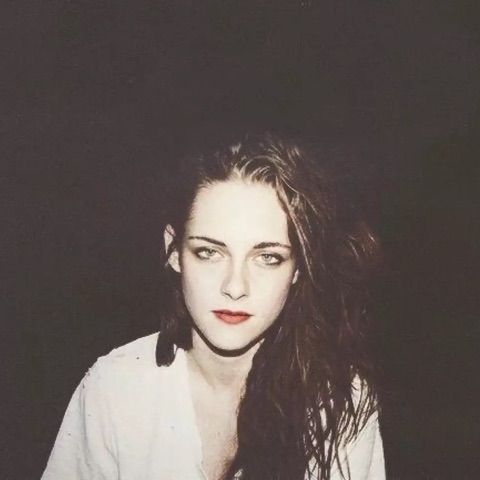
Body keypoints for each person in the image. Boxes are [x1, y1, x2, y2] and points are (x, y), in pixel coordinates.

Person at [42, 132, 385, 480]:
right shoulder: (115, 389)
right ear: (174, 251)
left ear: (298, 268)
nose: (235, 287)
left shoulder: (340, 401)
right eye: (209, 252)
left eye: (268, 257)